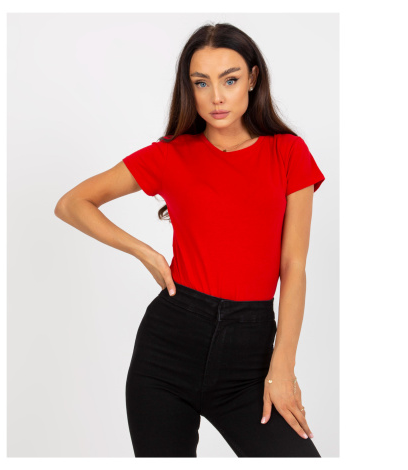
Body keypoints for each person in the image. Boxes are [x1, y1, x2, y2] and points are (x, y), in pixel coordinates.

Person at [54, 22, 325, 457]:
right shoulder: (169, 155)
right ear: (189, 87)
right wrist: (144, 252)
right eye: (202, 82)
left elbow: (294, 267)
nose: (216, 96)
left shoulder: (287, 153)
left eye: (230, 80)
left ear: (252, 79)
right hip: (167, 350)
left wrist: (283, 365)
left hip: (250, 360)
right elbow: (72, 204)